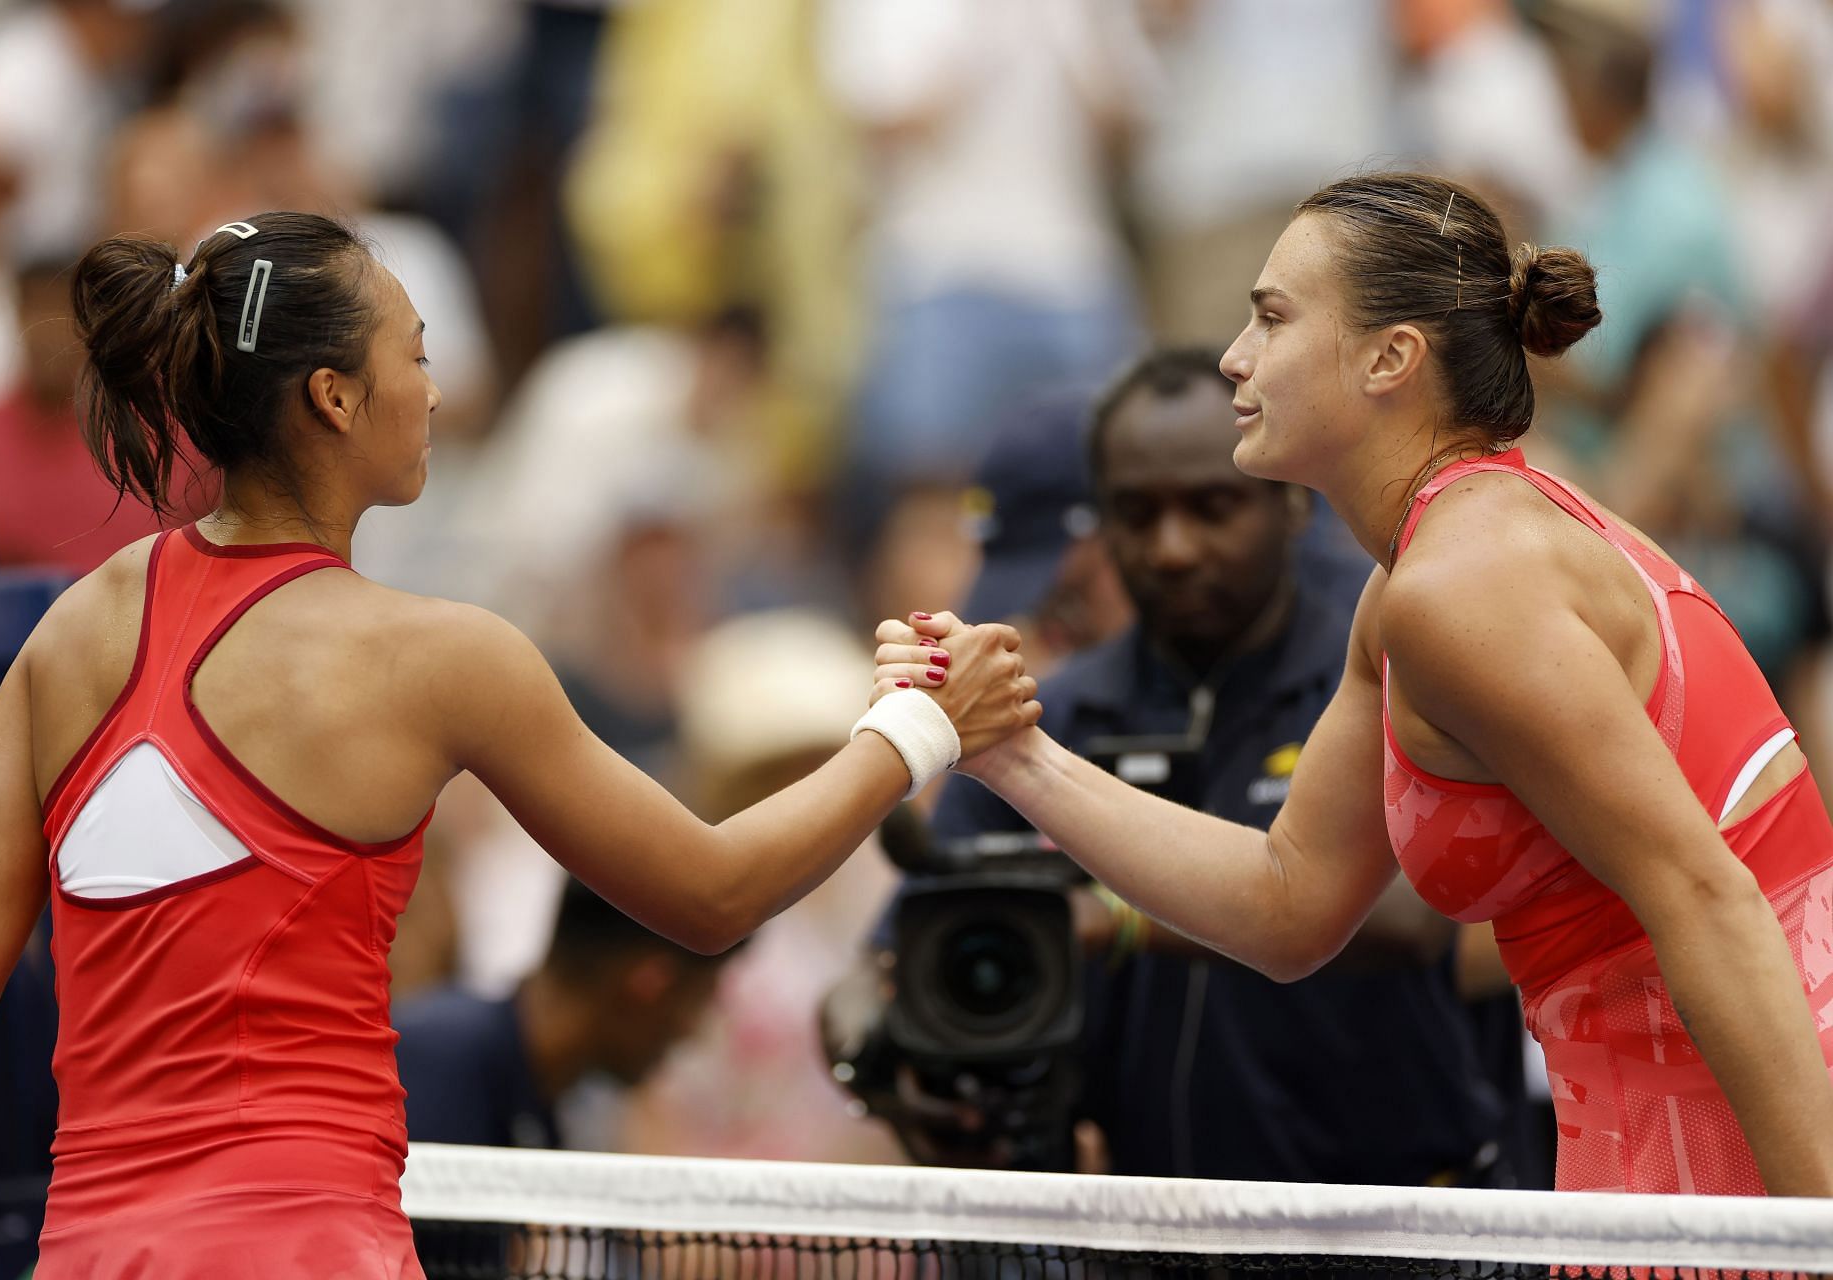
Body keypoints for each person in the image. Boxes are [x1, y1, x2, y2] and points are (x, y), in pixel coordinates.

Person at [0, 211, 1037, 1279]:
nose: (437, 389)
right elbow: (713, 891)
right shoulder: (440, 657)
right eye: (417, 354)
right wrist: (919, 725)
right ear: (335, 396)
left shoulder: (72, 631)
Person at [874, 173, 1833, 1196]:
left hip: (1740, 1133)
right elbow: (1289, 902)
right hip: (1672, 1130)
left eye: (1272, 318)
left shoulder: (1462, 587)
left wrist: (1814, 1222)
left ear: (1391, 357)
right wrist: (1012, 750)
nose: (1235, 357)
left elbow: (1705, 892)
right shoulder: (1423, 579)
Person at [858, 348, 1522, 1186]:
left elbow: (1413, 916)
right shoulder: (1047, 719)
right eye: (1136, 514)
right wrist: (882, 1067)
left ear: (1287, 501)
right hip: (1145, 1227)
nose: (1172, 549)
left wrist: (1112, 916)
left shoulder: (1392, 669)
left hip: (1395, 1223)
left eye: (1212, 508)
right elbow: (888, 958)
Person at [393, 883, 729, 1150]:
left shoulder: (543, 1105)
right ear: (650, 983)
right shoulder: (433, 1069)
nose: (691, 1031)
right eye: (700, 996)